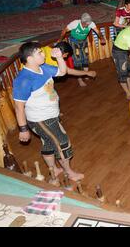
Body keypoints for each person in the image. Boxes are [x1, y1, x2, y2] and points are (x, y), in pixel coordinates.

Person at [13, 42, 84, 183]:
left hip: (52, 115)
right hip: (40, 120)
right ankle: (68, 172)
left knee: (49, 143)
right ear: (29, 58)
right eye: (39, 53)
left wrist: (59, 58)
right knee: (62, 143)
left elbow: (63, 72)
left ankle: (54, 170)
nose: (43, 53)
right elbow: (18, 107)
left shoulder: (43, 68)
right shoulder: (24, 80)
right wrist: (23, 129)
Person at [59, 13, 105, 87]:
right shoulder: (74, 24)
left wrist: (102, 38)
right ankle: (80, 80)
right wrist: (60, 40)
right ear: (82, 22)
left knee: (85, 58)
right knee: (77, 60)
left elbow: (98, 31)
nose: (88, 25)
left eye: (89, 24)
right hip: (74, 42)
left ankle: (86, 74)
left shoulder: (91, 23)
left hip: (84, 41)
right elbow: (64, 31)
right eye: (87, 24)